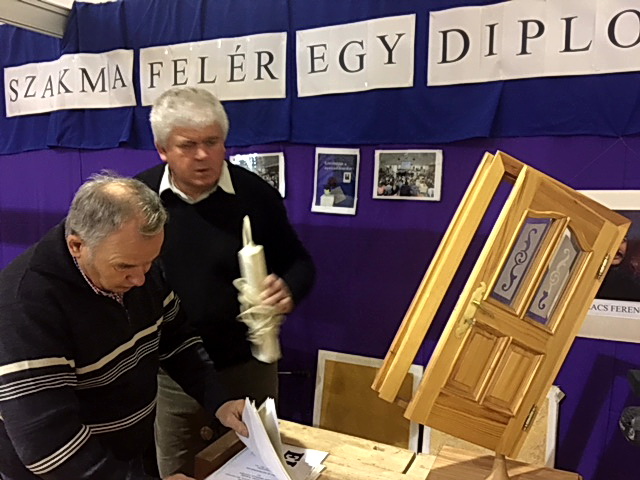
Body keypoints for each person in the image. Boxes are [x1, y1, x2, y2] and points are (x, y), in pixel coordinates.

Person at [0, 173, 247, 480]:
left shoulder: (136, 264)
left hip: (127, 456)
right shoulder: (24, 306)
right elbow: (50, 447)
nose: (141, 279)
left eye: (150, 262)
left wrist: (219, 401)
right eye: (125, 266)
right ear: (77, 245)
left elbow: (178, 341)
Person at [136, 87, 315, 477]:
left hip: (247, 365)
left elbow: (300, 263)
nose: (203, 155)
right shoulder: (138, 200)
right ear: (163, 149)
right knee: (179, 468)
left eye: (212, 142)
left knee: (255, 466)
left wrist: (288, 288)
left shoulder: (255, 195)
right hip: (175, 373)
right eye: (188, 145)